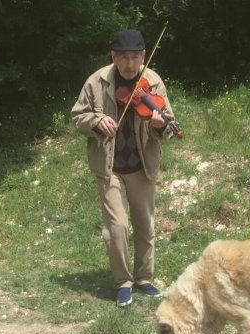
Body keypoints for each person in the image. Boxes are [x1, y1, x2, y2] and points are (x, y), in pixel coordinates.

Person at [71, 29, 175, 307]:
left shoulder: (152, 82)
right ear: (114, 56)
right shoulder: (97, 81)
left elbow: (167, 121)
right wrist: (96, 121)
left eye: (136, 58)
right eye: (125, 58)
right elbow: (78, 115)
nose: (131, 65)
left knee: (145, 225)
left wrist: (160, 125)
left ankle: (144, 279)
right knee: (117, 226)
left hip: (141, 165)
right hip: (109, 166)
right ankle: (123, 282)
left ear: (143, 56)